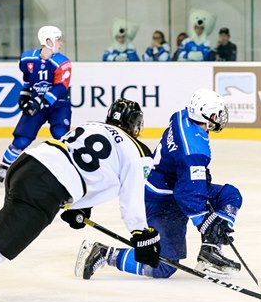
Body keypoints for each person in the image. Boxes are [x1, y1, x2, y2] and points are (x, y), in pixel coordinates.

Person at [0, 99, 161, 299]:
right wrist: (141, 233)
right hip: (46, 187)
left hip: (28, 165)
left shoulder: (92, 125)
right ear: (136, 124)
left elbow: (90, 169)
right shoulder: (137, 150)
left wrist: (78, 206)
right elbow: (131, 195)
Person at [77, 89, 243, 280]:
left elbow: (186, 178)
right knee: (163, 266)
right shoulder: (194, 152)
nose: (220, 117)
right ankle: (105, 253)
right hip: (161, 200)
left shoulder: (182, 117)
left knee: (229, 196)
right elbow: (186, 194)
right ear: (207, 115)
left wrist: (196, 176)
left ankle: (210, 251)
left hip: (173, 185)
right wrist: (204, 223)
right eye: (217, 113)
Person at [0, 25, 72, 184]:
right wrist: (24, 94)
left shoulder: (62, 62)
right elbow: (27, 79)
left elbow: (60, 87)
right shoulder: (27, 59)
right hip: (37, 103)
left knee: (61, 135)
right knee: (22, 138)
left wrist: (40, 101)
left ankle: (71, 171)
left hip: (59, 105)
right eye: (58, 39)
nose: (61, 43)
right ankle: (5, 166)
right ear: (48, 41)